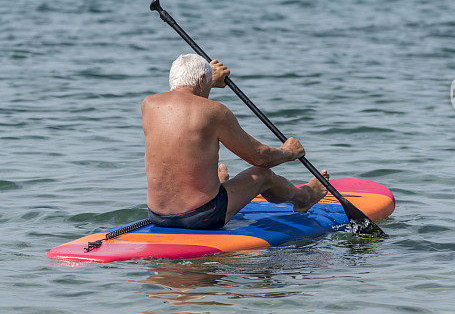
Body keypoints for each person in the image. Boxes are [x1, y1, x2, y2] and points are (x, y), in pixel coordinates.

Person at [141, 53, 328, 230]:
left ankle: (218, 185)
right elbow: (260, 157)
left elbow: (183, 108)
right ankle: (304, 198)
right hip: (203, 216)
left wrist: (207, 81)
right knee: (263, 175)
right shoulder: (215, 112)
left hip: (158, 216)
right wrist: (288, 152)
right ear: (200, 81)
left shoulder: (149, 105)